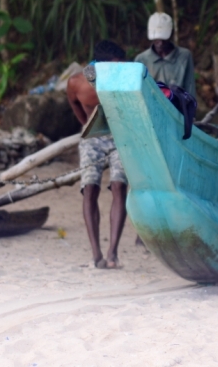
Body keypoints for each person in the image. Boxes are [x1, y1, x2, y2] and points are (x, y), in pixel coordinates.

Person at [66, 40, 128, 269]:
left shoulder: (124, 79)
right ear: (100, 66)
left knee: (119, 186)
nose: (119, 69)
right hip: (93, 137)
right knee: (90, 189)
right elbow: (75, 105)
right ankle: (96, 254)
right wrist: (88, 127)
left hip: (120, 136)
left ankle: (112, 253)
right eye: (115, 66)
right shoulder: (77, 82)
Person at [134, 12, 196, 98]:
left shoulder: (184, 56)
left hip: (176, 108)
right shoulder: (141, 60)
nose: (160, 43)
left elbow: (190, 89)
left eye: (164, 39)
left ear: (171, 34)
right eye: (156, 40)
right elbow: (137, 94)